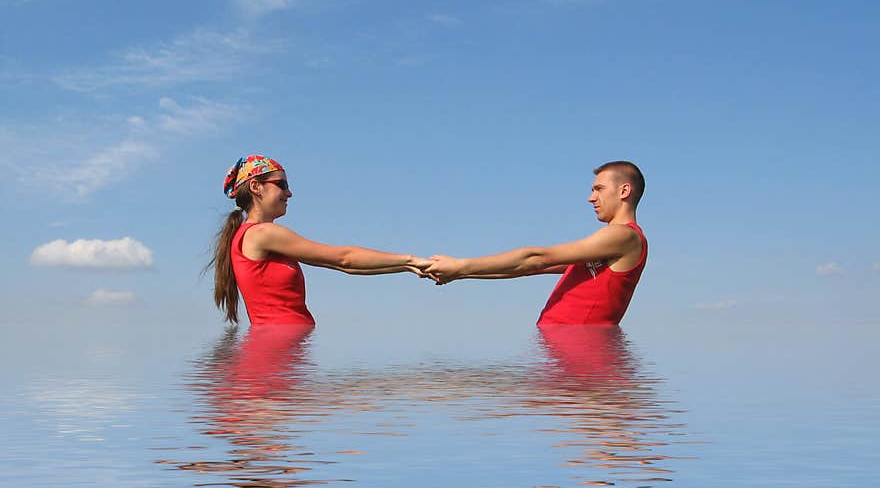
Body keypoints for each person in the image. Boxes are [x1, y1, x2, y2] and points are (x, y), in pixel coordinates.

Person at [207, 154, 434, 325]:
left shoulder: (250, 236)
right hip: (280, 347)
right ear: (256, 187)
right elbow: (345, 258)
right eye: (282, 185)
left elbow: (345, 266)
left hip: (280, 346)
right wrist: (412, 259)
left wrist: (408, 266)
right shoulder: (262, 233)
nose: (289, 193)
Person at [425, 161, 647, 326]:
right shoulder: (605, 246)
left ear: (624, 191)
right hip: (565, 347)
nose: (591, 198)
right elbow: (526, 268)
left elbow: (536, 257)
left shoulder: (624, 236)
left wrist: (460, 265)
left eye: (598, 189)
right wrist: (458, 274)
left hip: (582, 350)